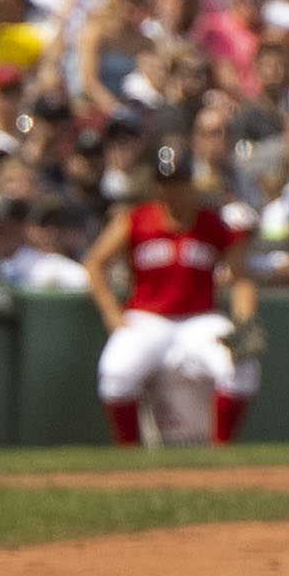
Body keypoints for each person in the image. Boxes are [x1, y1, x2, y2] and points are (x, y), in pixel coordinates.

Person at [89, 161, 243, 447]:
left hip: (200, 319)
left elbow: (242, 277)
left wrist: (245, 321)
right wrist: (111, 311)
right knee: (116, 372)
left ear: (191, 183)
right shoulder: (135, 219)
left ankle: (223, 452)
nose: (172, 189)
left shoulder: (212, 223)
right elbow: (95, 263)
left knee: (240, 364)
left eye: (178, 181)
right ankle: (129, 455)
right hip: (148, 318)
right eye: (165, 182)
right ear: (155, 185)